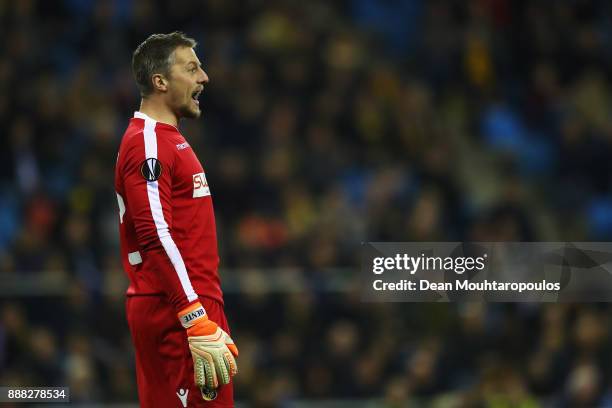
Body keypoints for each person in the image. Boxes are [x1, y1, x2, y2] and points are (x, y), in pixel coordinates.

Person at [114, 32, 238, 407]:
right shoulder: (147, 143)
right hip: (176, 310)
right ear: (160, 81)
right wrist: (193, 314)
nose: (204, 77)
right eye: (192, 68)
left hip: (182, 305)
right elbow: (154, 234)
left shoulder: (165, 140)